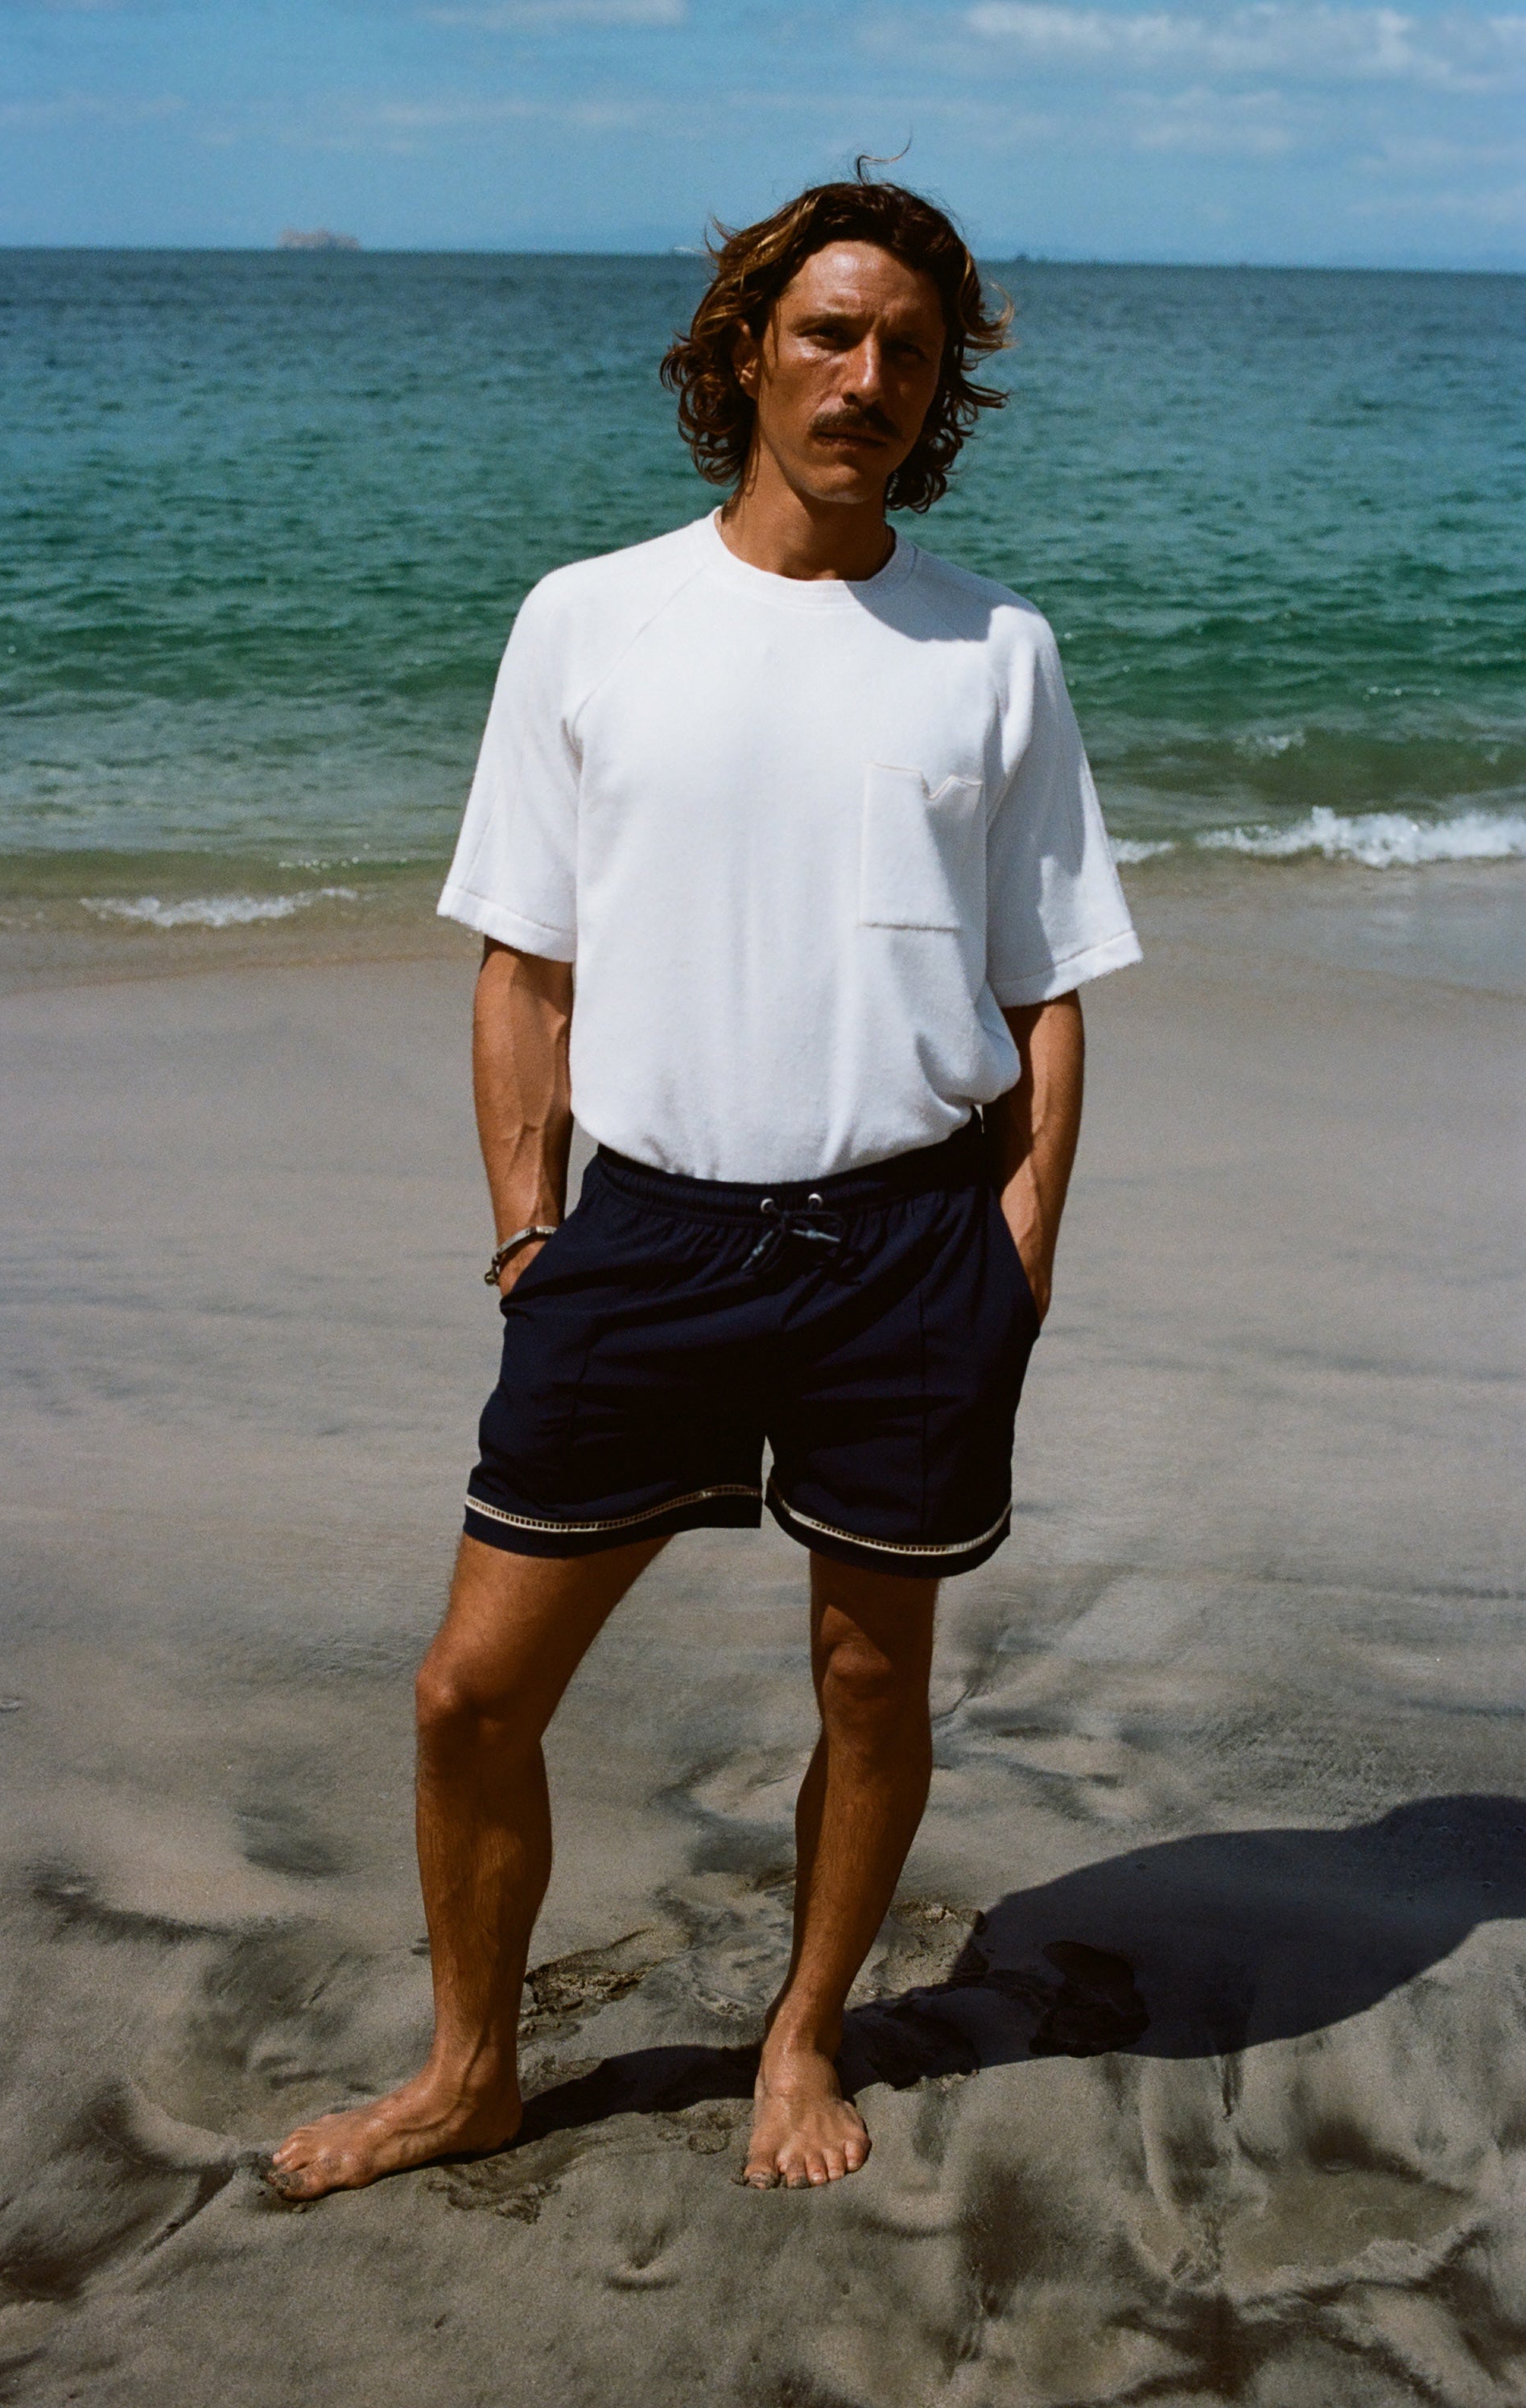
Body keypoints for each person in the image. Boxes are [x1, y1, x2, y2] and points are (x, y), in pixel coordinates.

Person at [270, 171, 1140, 2202]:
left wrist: (1019, 1255)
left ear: (940, 395)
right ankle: (469, 2064)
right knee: (471, 1687)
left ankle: (805, 2026)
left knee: (868, 1670)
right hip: (642, 1233)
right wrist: (524, 1219)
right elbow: (523, 962)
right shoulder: (592, 615)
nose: (865, 376)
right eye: (828, 333)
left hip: (911, 1239)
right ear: (744, 346)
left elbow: (1050, 990)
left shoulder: (992, 649)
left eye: (906, 351)